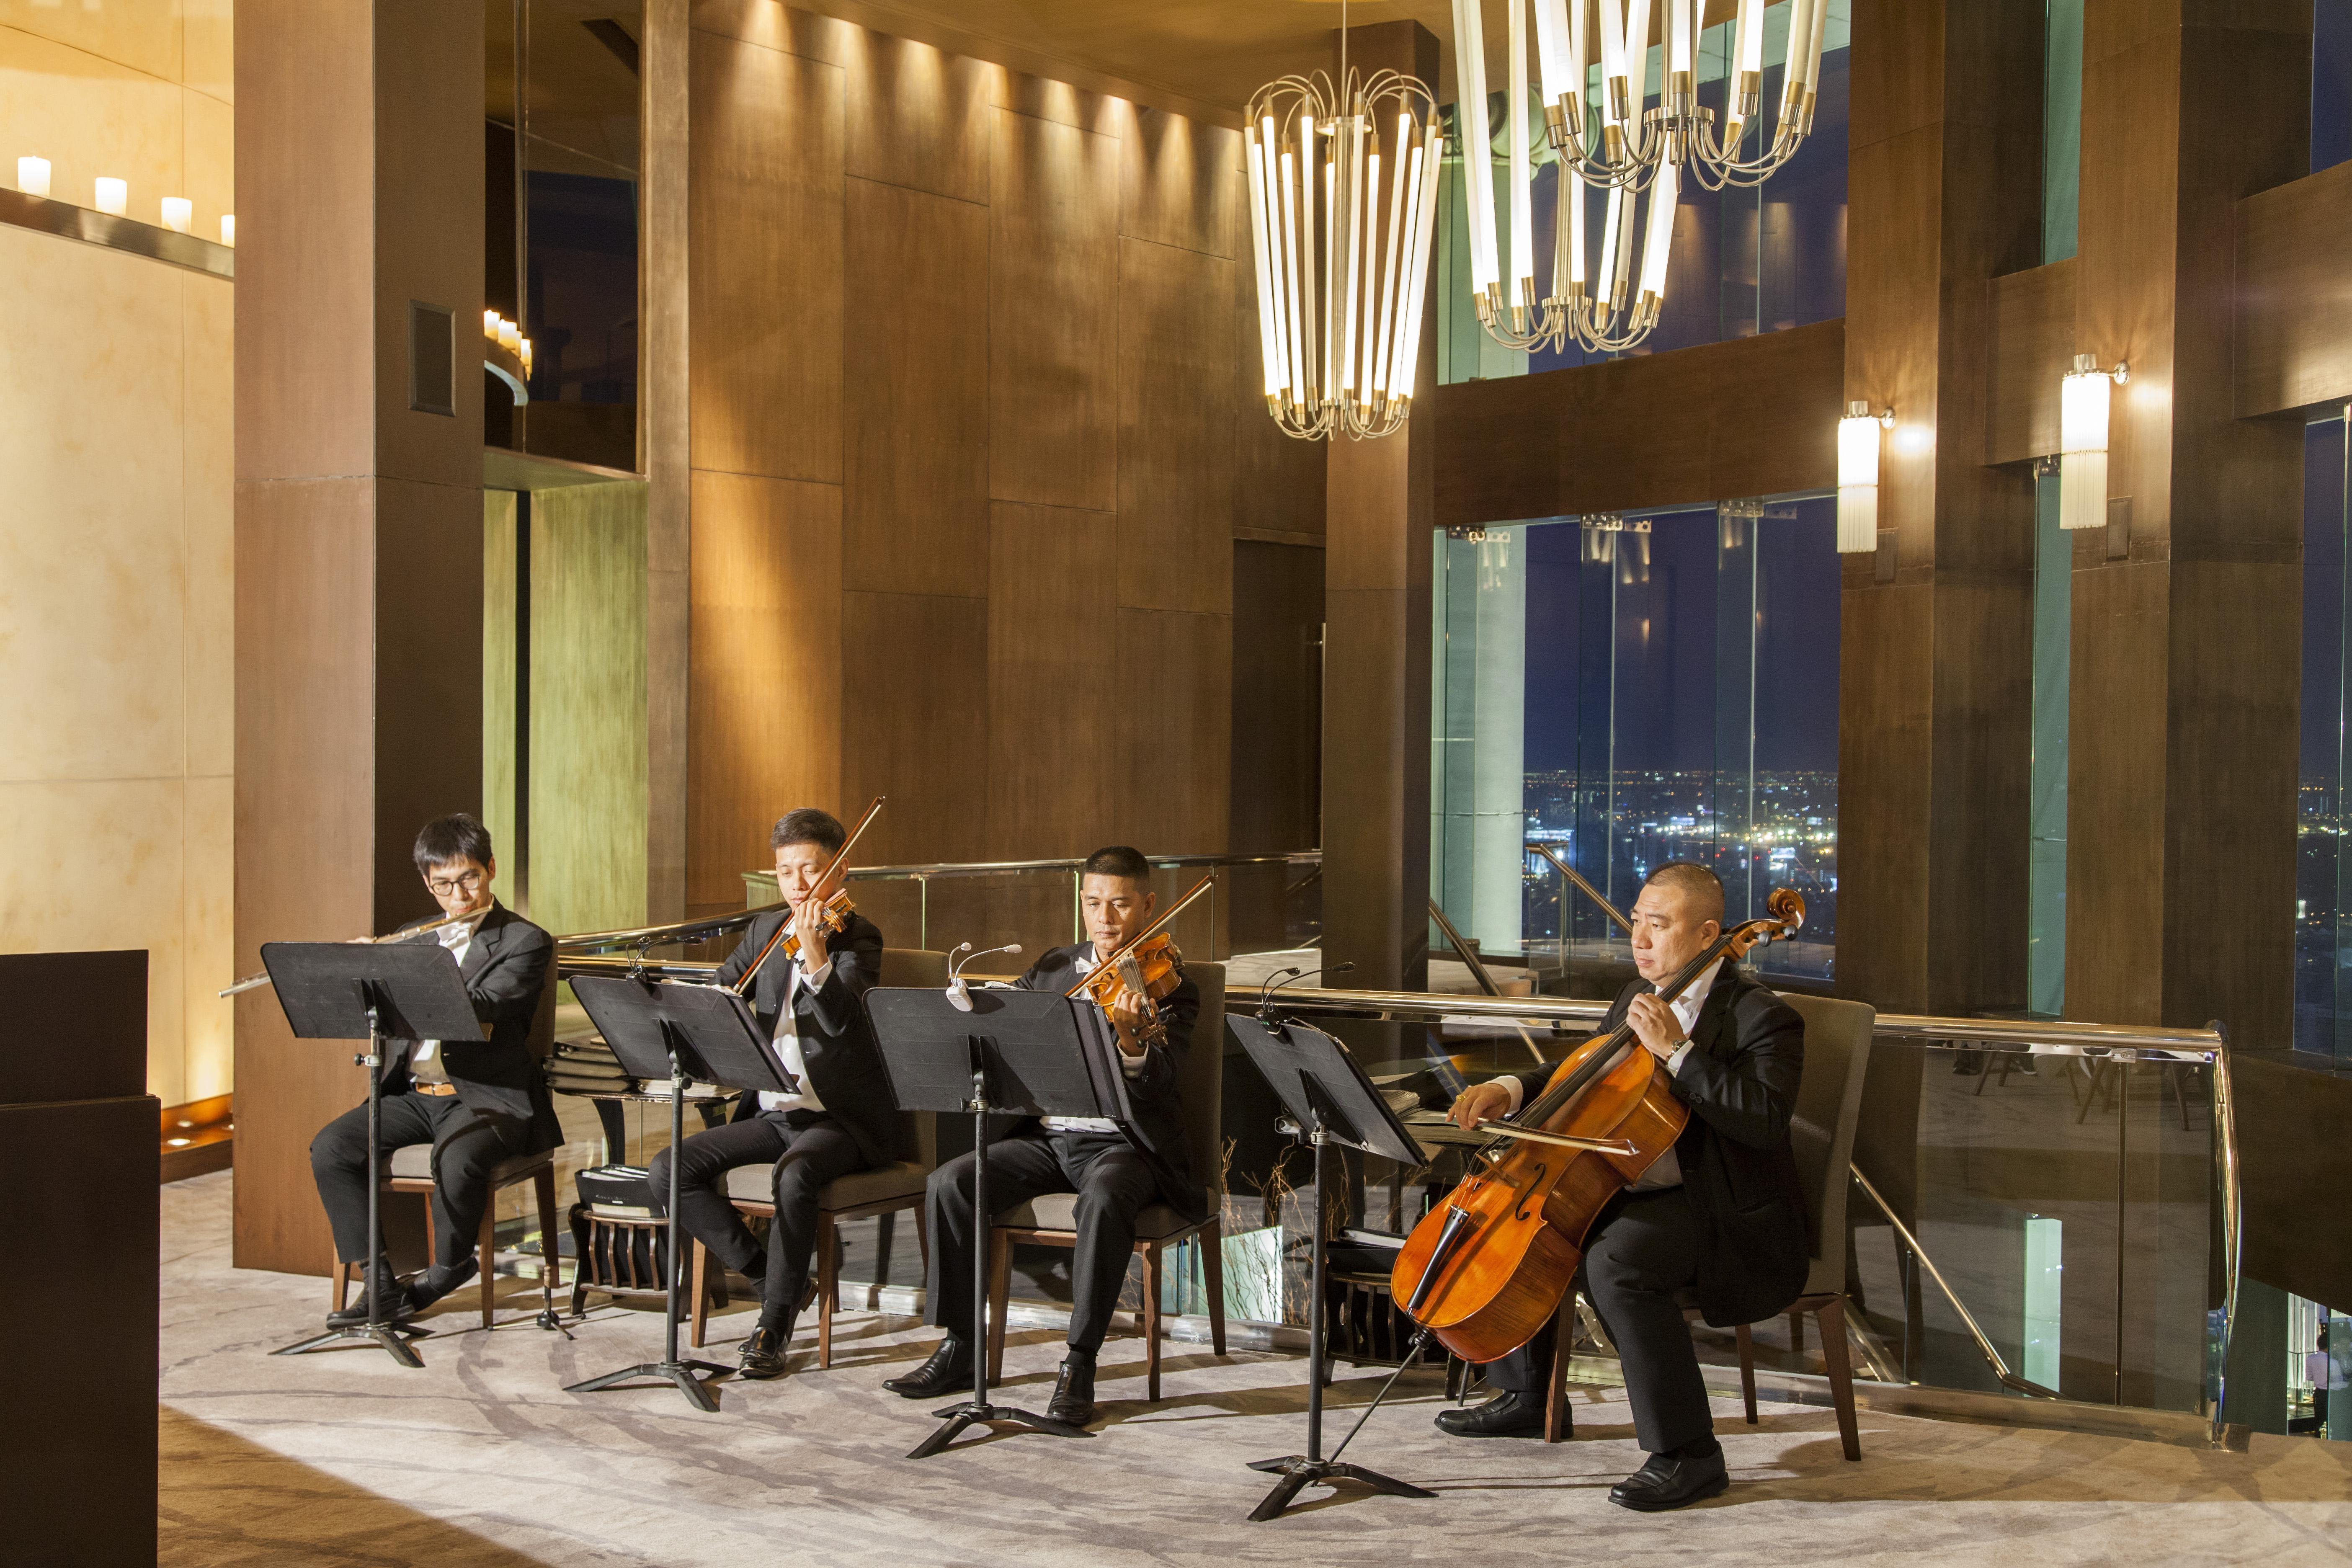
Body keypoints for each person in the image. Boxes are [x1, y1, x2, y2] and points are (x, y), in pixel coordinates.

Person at [1435, 861, 1809, 1512]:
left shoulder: (1761, 1018)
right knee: (1544, 1220)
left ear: (1708, 935)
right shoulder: (1635, 999)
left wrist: (1680, 1055)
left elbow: (1764, 1119)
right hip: (1639, 1183)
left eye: (1657, 925)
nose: (1639, 938)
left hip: (1716, 1203)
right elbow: (1589, 1065)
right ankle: (1528, 1397)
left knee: (1616, 1262)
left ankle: (1690, 1454)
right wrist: (1514, 1087)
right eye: (1637, 921)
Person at [884, 846, 1208, 1426]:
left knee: (1105, 1199)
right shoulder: (1056, 966)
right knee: (952, 1182)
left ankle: (1079, 1364)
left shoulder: (1172, 985)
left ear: (1148, 905)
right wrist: (978, 1009)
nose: (1105, 918)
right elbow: (1011, 1027)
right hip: (1048, 1137)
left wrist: (1133, 1043)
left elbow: (1161, 1084)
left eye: (1120, 904)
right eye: (1092, 904)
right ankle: (962, 1344)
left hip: (1122, 1145)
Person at [645, 808, 894, 1380]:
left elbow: (845, 1020)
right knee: (669, 1169)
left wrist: (816, 956)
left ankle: (774, 1324)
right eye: (786, 873)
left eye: (811, 870)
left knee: (795, 1175)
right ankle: (771, 1279)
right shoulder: (762, 932)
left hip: (840, 1120)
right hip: (774, 1111)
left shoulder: (858, 936)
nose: (799, 885)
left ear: (841, 871)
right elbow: (721, 991)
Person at [309, 814, 561, 1325]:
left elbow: (489, 1003)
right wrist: (364, 975)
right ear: (428, 883)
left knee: (456, 1160)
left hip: (484, 1095)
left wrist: (405, 976)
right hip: (415, 1094)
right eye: (443, 884)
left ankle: (449, 1268)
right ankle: (377, 1281)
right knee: (331, 1147)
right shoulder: (410, 937)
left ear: (490, 869)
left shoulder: (524, 940)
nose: (459, 895)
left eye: (469, 878)